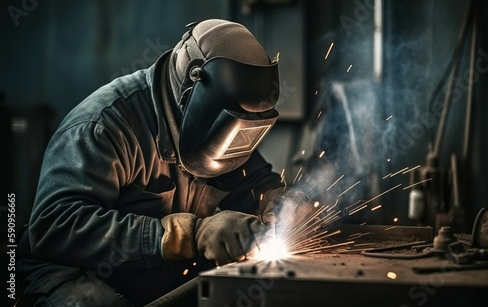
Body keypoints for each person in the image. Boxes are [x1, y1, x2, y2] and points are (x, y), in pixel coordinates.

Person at [16, 19, 312, 306]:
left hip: (159, 274)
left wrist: (278, 200)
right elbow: (54, 226)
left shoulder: (226, 124)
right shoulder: (105, 126)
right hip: (75, 274)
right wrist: (187, 236)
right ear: (193, 91)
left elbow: (254, 182)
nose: (235, 141)